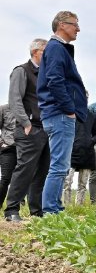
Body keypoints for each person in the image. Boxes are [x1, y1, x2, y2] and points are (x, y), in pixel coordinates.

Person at [37, 11, 88, 215]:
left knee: (61, 165)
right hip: (59, 114)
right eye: (75, 24)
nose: (78, 28)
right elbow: (55, 81)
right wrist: (68, 109)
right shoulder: (57, 48)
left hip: (57, 113)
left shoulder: (57, 49)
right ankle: (50, 210)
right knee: (59, 165)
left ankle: (55, 207)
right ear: (61, 25)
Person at [4, 39, 49, 222]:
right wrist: (25, 123)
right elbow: (14, 100)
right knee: (25, 169)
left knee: (42, 171)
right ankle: (11, 210)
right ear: (36, 52)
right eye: (46, 51)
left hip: (46, 129)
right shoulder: (21, 71)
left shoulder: (45, 74)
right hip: (29, 129)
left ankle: (36, 212)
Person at [64, 96, 96, 205]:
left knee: (82, 184)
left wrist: (90, 141)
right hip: (70, 152)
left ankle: (78, 206)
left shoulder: (91, 116)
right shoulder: (68, 114)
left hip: (87, 153)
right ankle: (66, 207)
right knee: (67, 182)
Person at [0, 104, 17, 209]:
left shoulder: (28, 109)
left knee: (22, 179)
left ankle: (14, 207)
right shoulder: (3, 109)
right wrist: (1, 143)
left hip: (24, 149)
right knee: (6, 178)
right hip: (8, 148)